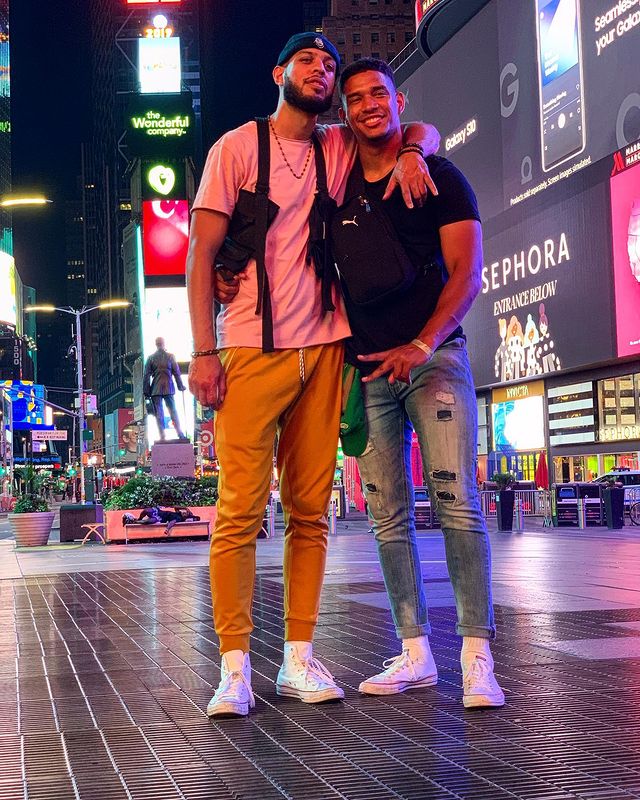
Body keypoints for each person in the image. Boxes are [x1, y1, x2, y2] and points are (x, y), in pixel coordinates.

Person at [187, 33, 440, 718]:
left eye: (330, 65)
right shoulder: (236, 147)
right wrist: (202, 351)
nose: (322, 72)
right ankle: (233, 668)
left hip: (327, 352)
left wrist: (414, 152)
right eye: (308, 62)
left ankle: (297, 657)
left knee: (310, 512)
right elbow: (201, 251)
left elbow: (415, 127)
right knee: (239, 511)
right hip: (249, 348)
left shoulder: (338, 145)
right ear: (279, 72)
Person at [332, 59, 504, 708]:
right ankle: (414, 654)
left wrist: (422, 343)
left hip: (435, 359)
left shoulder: (441, 177)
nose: (369, 105)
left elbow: (467, 275)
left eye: (379, 93)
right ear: (344, 114)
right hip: (367, 371)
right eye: (356, 99)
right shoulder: (337, 184)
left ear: (397, 100)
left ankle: (477, 659)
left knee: (457, 501)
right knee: (387, 518)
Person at [143, 337, 186, 440]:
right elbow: (176, 372)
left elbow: (146, 376)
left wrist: (146, 391)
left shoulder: (151, 358)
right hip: (168, 387)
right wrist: (180, 385)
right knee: (173, 411)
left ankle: (162, 436)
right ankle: (180, 433)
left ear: (156, 344)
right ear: (163, 343)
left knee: (159, 413)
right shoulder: (170, 356)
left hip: (155, 389)